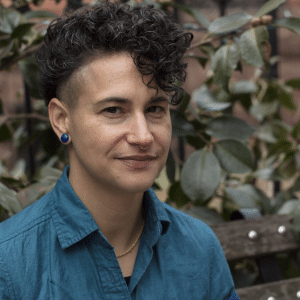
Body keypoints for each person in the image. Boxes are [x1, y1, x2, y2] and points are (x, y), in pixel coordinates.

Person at [0, 1, 240, 299]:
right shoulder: (9, 264)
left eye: (154, 109)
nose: (143, 136)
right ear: (62, 121)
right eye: (114, 110)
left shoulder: (197, 246)